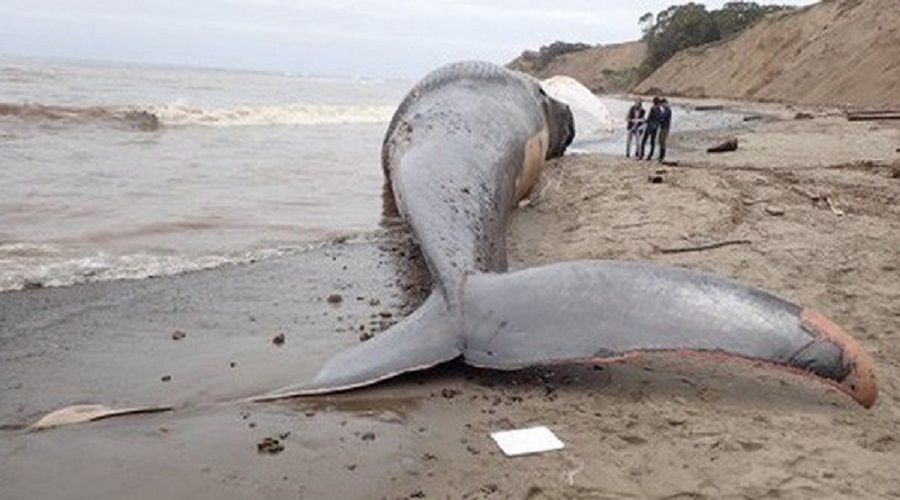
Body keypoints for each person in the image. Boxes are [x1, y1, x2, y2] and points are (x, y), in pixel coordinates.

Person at [640, 97, 662, 161]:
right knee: (652, 142)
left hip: (649, 126)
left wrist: (644, 121)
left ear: (653, 102)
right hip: (655, 127)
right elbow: (659, 119)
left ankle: (642, 154)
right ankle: (650, 155)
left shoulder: (652, 108)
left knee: (643, 141)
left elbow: (649, 118)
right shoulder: (659, 110)